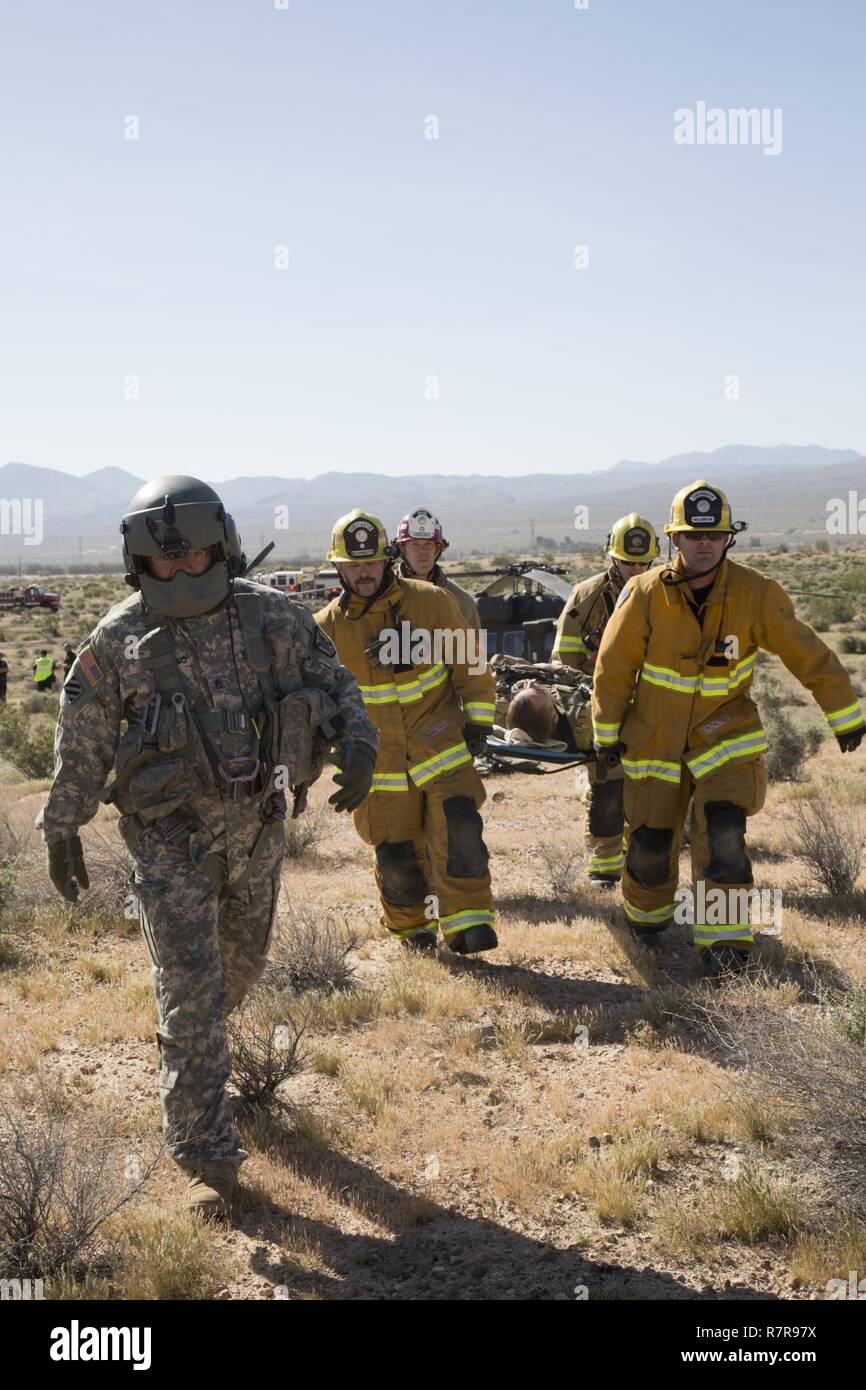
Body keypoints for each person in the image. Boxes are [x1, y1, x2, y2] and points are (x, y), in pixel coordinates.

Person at [36, 476, 377, 1219]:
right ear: (140, 564)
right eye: (166, 564)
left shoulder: (275, 620)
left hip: (258, 832)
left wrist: (359, 741)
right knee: (192, 996)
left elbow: (337, 682)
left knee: (238, 975)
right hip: (169, 844)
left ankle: (192, 1058)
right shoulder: (121, 640)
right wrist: (62, 825)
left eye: (195, 559)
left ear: (221, 548)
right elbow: (83, 737)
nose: (183, 573)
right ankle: (206, 1158)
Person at [592, 480, 866, 976]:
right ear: (674, 539)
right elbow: (612, 670)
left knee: (724, 833)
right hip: (656, 743)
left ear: (728, 539)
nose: (704, 544)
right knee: (651, 845)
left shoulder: (754, 593)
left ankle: (725, 944)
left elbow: (805, 651)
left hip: (726, 741)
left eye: (714, 536)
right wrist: (605, 733)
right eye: (694, 535)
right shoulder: (644, 593)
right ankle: (646, 921)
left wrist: (843, 712)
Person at [316, 509, 497, 954]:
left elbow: (469, 664)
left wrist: (478, 719)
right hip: (378, 765)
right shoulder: (325, 630)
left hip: (441, 747)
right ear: (338, 566)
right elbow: (317, 702)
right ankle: (411, 930)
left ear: (387, 559)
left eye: (371, 563)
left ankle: (468, 924)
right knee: (396, 855)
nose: (363, 573)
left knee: (460, 832)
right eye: (353, 564)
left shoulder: (431, 602)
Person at [552, 515, 659, 886]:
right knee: (608, 787)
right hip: (601, 706)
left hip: (653, 709)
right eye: (629, 562)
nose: (637, 569)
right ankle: (604, 870)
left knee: (651, 789)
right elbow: (562, 661)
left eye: (644, 563)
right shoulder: (586, 597)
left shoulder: (665, 595)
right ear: (612, 557)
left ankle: (642, 866)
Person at [393, 508, 481, 629]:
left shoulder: (462, 602)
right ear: (402, 550)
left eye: (428, 544)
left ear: (438, 550)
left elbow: (475, 647)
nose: (422, 551)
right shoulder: (386, 597)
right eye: (415, 544)